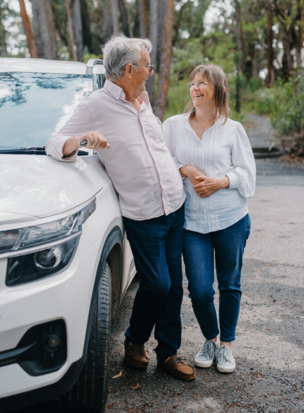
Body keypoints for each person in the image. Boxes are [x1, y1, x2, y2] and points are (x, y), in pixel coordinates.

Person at [46, 36, 196, 381]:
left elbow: (155, 152)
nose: (150, 72)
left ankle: (169, 353)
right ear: (129, 69)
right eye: (147, 66)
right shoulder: (97, 105)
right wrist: (82, 141)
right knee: (157, 283)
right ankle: (134, 341)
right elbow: (54, 142)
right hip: (143, 215)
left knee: (174, 285)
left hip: (174, 205)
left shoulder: (142, 100)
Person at [163, 64, 256, 373]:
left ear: (218, 89)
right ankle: (211, 339)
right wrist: (186, 169)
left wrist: (221, 181)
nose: (195, 87)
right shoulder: (173, 126)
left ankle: (226, 346)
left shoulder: (233, 128)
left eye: (203, 83)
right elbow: (163, 161)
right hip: (192, 221)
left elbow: (247, 174)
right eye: (192, 82)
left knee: (230, 283)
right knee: (200, 289)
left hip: (231, 218)